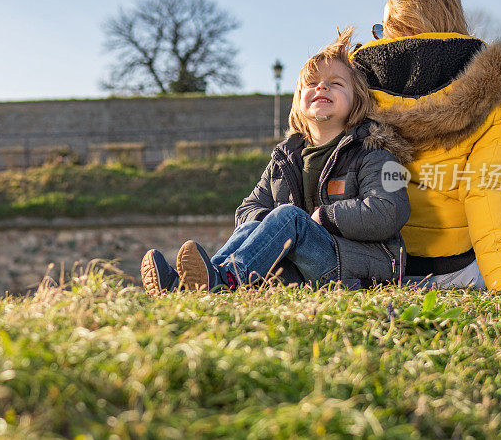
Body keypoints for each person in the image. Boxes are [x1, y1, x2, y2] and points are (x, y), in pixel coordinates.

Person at [141, 28, 412, 295]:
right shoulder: (286, 157)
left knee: (289, 216)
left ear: (358, 100)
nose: (322, 87)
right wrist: (267, 225)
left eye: (336, 83)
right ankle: (190, 286)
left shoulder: (374, 151)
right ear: (298, 101)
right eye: (312, 83)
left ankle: (225, 280)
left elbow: (389, 211)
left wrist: (324, 217)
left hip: (356, 268)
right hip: (295, 269)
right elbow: (246, 210)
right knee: (255, 224)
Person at [351, 0, 501, 300]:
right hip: (463, 272)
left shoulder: (352, 86)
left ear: (395, 24)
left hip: (377, 267)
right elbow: (485, 189)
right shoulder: (497, 89)